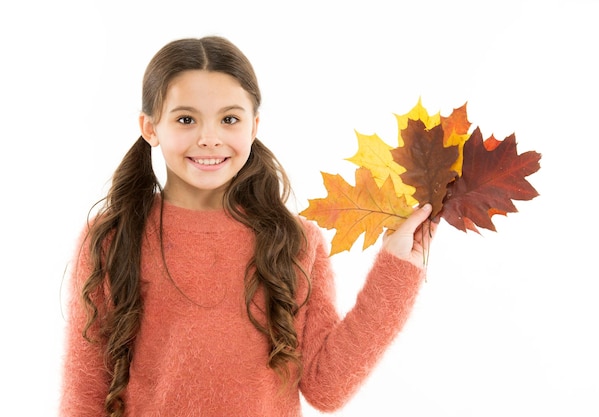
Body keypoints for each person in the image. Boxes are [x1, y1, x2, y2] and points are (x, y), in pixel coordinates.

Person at [59, 35, 436, 417]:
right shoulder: (112, 237)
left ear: (254, 126)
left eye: (229, 119)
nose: (209, 138)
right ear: (150, 127)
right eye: (186, 119)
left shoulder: (295, 241)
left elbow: (326, 388)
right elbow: (84, 397)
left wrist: (396, 271)